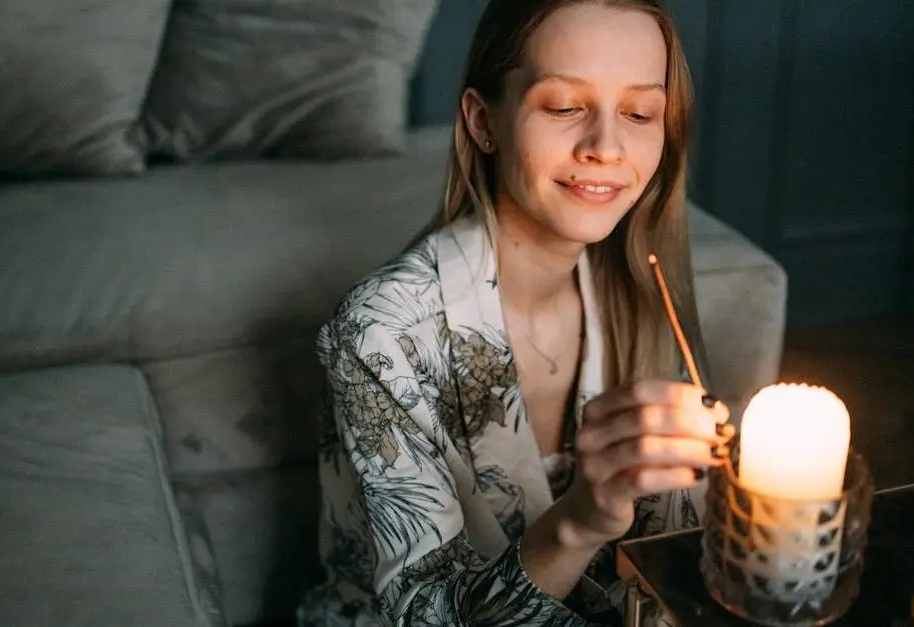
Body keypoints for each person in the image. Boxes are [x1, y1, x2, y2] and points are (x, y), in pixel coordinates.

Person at [297, 1, 731, 624]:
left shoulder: (642, 286)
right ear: (483, 122)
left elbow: (681, 546)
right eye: (563, 107)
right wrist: (581, 518)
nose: (606, 146)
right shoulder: (379, 335)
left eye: (639, 113)